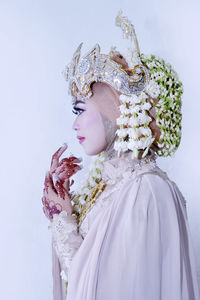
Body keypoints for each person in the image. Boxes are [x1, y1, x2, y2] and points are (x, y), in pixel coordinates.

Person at [41, 11, 200, 300]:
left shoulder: (146, 191)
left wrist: (64, 224)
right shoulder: (114, 184)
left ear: (114, 110)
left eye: (80, 110)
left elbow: (116, 290)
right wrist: (64, 214)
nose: (74, 124)